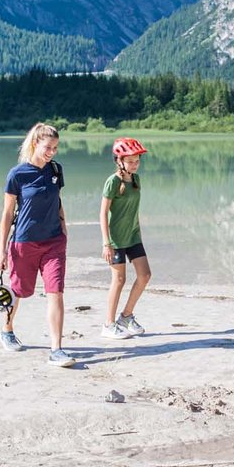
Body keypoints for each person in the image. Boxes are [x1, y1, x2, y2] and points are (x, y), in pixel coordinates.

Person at [0, 122, 74, 367]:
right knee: (18, 291)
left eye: (56, 147)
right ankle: (7, 330)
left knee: (56, 292)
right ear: (35, 144)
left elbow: (57, 200)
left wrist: (63, 226)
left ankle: (56, 349)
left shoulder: (56, 170)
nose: (52, 152)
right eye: (48, 147)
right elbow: (7, 215)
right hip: (24, 243)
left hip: (53, 243)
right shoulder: (17, 174)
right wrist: (1, 251)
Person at [99, 137, 151, 340]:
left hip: (133, 237)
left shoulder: (136, 180)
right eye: (130, 161)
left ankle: (126, 316)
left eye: (137, 160)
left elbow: (134, 210)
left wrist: (138, 230)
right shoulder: (113, 181)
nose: (135, 164)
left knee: (145, 275)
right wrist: (106, 243)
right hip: (116, 240)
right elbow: (103, 213)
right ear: (119, 160)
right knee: (119, 280)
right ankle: (108, 324)